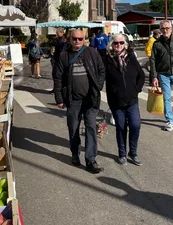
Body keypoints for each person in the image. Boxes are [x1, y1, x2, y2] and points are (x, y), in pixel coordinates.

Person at [54, 29, 105, 174]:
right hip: (73, 100)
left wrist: (98, 86)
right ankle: (75, 154)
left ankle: (91, 160)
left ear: (85, 39)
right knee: (73, 128)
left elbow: (101, 71)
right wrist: (59, 98)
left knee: (90, 128)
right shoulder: (64, 55)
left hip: (90, 99)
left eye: (80, 39)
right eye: (74, 39)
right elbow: (57, 77)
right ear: (70, 39)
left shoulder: (92, 53)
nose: (77, 42)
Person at [105, 34, 145, 166]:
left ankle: (133, 153)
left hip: (132, 100)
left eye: (121, 42)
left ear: (125, 44)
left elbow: (141, 75)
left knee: (135, 125)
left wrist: (136, 89)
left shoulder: (131, 58)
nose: (118, 45)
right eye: (116, 43)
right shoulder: (108, 60)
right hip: (117, 101)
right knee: (121, 127)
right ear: (112, 44)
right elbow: (106, 81)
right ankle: (122, 153)